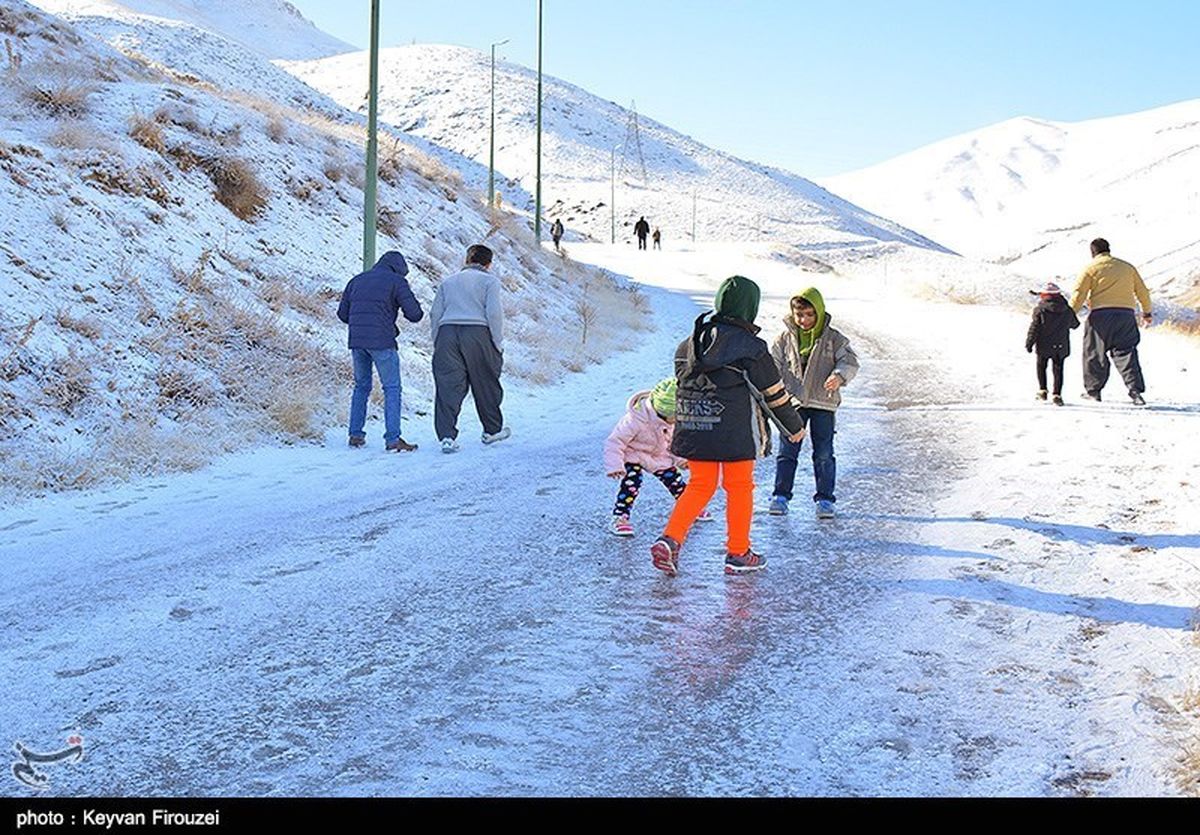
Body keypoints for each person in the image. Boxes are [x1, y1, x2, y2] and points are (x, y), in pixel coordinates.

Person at [650, 276, 806, 577]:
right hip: (735, 432)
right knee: (739, 487)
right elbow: (772, 392)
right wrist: (793, 426)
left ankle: (670, 539)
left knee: (700, 485)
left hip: (696, 426)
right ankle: (738, 552)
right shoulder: (751, 347)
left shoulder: (689, 343)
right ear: (750, 308)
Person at [767, 287, 859, 519]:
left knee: (824, 453)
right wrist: (775, 392)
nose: (804, 320)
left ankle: (825, 499)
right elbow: (772, 367)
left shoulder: (834, 338)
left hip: (822, 403)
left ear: (818, 312)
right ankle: (780, 495)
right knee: (787, 451)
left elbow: (849, 361)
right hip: (792, 404)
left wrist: (839, 376)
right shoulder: (784, 339)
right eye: (799, 315)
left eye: (809, 314)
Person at [603, 378, 712, 537]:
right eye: (675, 417)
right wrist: (615, 465)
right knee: (632, 481)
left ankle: (690, 509)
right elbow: (615, 441)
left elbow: (674, 444)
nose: (677, 420)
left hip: (658, 456)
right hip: (634, 454)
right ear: (664, 412)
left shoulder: (671, 422)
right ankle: (620, 517)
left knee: (675, 480)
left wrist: (681, 460)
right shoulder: (634, 419)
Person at [337, 251, 423, 452]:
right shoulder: (397, 282)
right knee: (392, 388)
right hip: (383, 341)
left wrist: (362, 323)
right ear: (399, 269)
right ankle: (393, 439)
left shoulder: (356, 280)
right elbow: (415, 314)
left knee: (361, 387)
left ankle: (355, 435)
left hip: (357, 342)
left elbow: (342, 314)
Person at [429, 244, 510, 453]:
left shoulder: (448, 282)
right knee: (486, 382)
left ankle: (446, 436)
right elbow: (494, 313)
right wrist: (497, 342)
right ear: (488, 263)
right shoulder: (489, 281)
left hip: (447, 332)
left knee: (447, 386)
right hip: (478, 333)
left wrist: (437, 340)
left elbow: (435, 313)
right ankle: (491, 430)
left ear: (467, 261)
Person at [1069, 238, 1152, 405]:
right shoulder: (1127, 267)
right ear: (1109, 249)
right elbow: (1142, 291)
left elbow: (1079, 294)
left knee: (1094, 352)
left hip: (1100, 316)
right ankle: (1135, 391)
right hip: (1126, 315)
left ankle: (1094, 391)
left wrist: (1069, 316)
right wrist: (1147, 312)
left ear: (1093, 252)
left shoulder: (1091, 268)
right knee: (1127, 353)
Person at [1025, 281, 1079, 406]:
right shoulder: (1067, 309)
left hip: (1044, 344)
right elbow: (1075, 325)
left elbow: (1035, 327)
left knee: (1041, 366)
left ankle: (1043, 390)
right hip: (1061, 344)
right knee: (1058, 369)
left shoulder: (1040, 309)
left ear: (1044, 295)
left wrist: (1029, 342)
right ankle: (1057, 395)